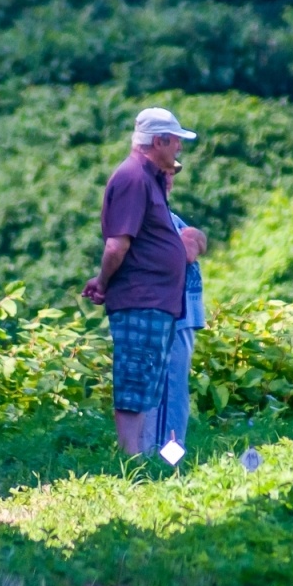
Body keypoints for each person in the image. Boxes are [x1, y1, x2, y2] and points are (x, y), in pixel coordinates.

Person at [82, 107, 198, 454]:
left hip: (155, 300)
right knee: (134, 379)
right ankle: (130, 459)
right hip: (140, 299)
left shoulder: (149, 177)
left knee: (147, 381)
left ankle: (142, 456)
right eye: (175, 140)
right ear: (159, 140)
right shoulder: (133, 177)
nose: (178, 147)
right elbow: (117, 244)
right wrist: (102, 282)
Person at [143, 160, 207, 455]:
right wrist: (187, 241)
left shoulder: (170, 216)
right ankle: (162, 460)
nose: (169, 179)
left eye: (171, 173)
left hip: (184, 317)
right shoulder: (151, 217)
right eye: (163, 173)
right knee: (167, 393)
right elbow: (186, 251)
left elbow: (198, 242)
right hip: (170, 315)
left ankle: (170, 458)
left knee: (176, 393)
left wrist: (190, 238)